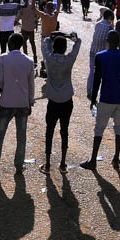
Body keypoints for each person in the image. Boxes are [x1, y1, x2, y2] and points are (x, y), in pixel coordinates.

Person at [81, 30, 120, 170]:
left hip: (106, 98)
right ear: (119, 42)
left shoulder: (100, 56)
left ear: (107, 41)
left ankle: (93, 160)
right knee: (119, 128)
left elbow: (97, 79)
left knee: (99, 129)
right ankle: (116, 158)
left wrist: (93, 98)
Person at [0, 33, 35, 174]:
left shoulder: (3, 59)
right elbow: (31, 84)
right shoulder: (29, 61)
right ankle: (19, 166)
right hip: (22, 104)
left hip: (6, 103)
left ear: (11, 44)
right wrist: (30, 102)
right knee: (21, 137)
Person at [40, 29, 81, 173]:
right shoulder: (69, 60)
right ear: (64, 48)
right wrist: (71, 37)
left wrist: (51, 37)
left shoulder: (49, 59)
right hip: (66, 100)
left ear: (54, 47)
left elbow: (44, 44)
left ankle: (48, 164)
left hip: (53, 101)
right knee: (64, 130)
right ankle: (63, 163)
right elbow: (78, 44)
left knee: (49, 131)